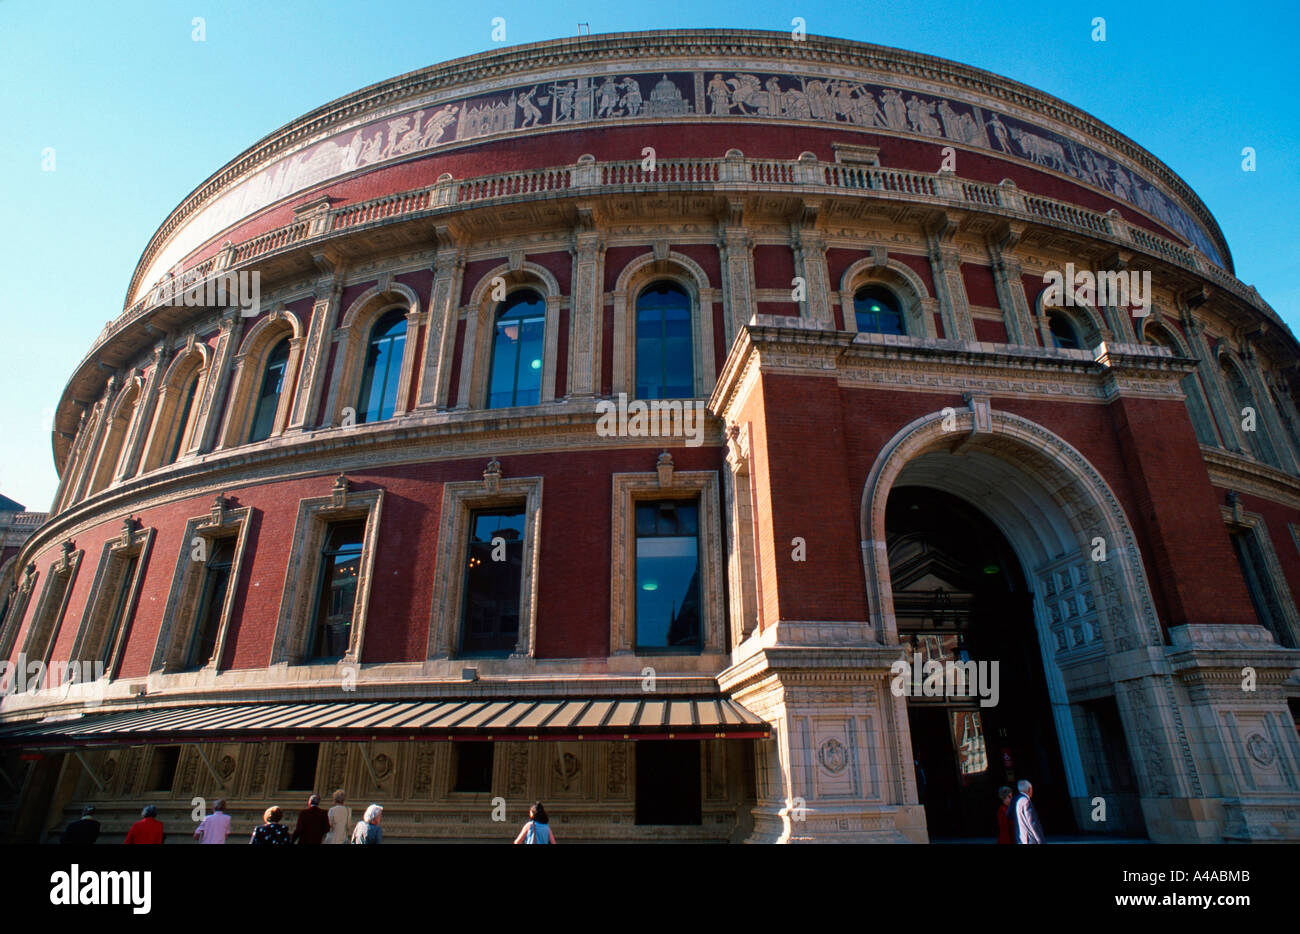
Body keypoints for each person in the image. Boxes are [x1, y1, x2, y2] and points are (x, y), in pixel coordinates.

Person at [1013, 779, 1045, 844]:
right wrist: (1040, 840)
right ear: (1029, 789)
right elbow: (1032, 823)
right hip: (1030, 839)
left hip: (1022, 838)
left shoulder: (1017, 800)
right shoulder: (1026, 801)